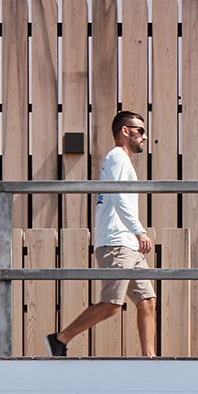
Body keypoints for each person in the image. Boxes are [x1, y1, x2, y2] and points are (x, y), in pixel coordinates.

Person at [47, 111, 157, 357]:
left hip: (129, 244)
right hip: (117, 242)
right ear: (125, 131)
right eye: (140, 130)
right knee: (111, 305)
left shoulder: (121, 161)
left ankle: (150, 359)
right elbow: (117, 196)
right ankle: (60, 339)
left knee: (147, 300)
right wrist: (139, 230)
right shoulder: (117, 157)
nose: (145, 137)